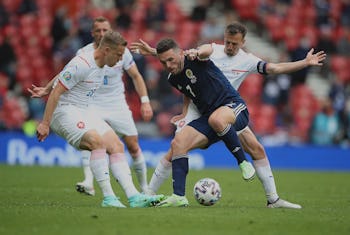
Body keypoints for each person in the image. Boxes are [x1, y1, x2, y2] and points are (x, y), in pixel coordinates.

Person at [131, 22, 326, 208]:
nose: (230, 47)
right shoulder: (212, 51)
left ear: (243, 43)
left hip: (229, 107)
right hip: (204, 110)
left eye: (234, 43)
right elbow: (180, 63)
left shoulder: (246, 60)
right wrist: (184, 113)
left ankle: (271, 198)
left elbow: (274, 68)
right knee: (176, 147)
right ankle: (152, 195)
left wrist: (305, 62)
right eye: (227, 42)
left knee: (255, 148)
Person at [36, 30, 163, 208]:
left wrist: (45, 88)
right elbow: (58, 90)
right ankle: (109, 198)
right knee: (96, 142)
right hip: (64, 111)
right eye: (118, 55)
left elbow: (62, 74)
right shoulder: (83, 63)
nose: (120, 60)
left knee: (116, 145)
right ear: (106, 50)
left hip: (85, 109)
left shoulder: (104, 63)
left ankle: (134, 197)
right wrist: (45, 123)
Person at [151, 38, 255, 207]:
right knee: (178, 143)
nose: (168, 65)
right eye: (163, 62)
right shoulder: (173, 78)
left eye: (171, 59)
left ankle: (243, 161)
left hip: (234, 108)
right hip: (209, 118)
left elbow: (208, 49)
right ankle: (179, 197)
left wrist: (198, 52)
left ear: (181, 53)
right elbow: (188, 91)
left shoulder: (195, 58)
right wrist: (184, 114)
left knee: (217, 119)